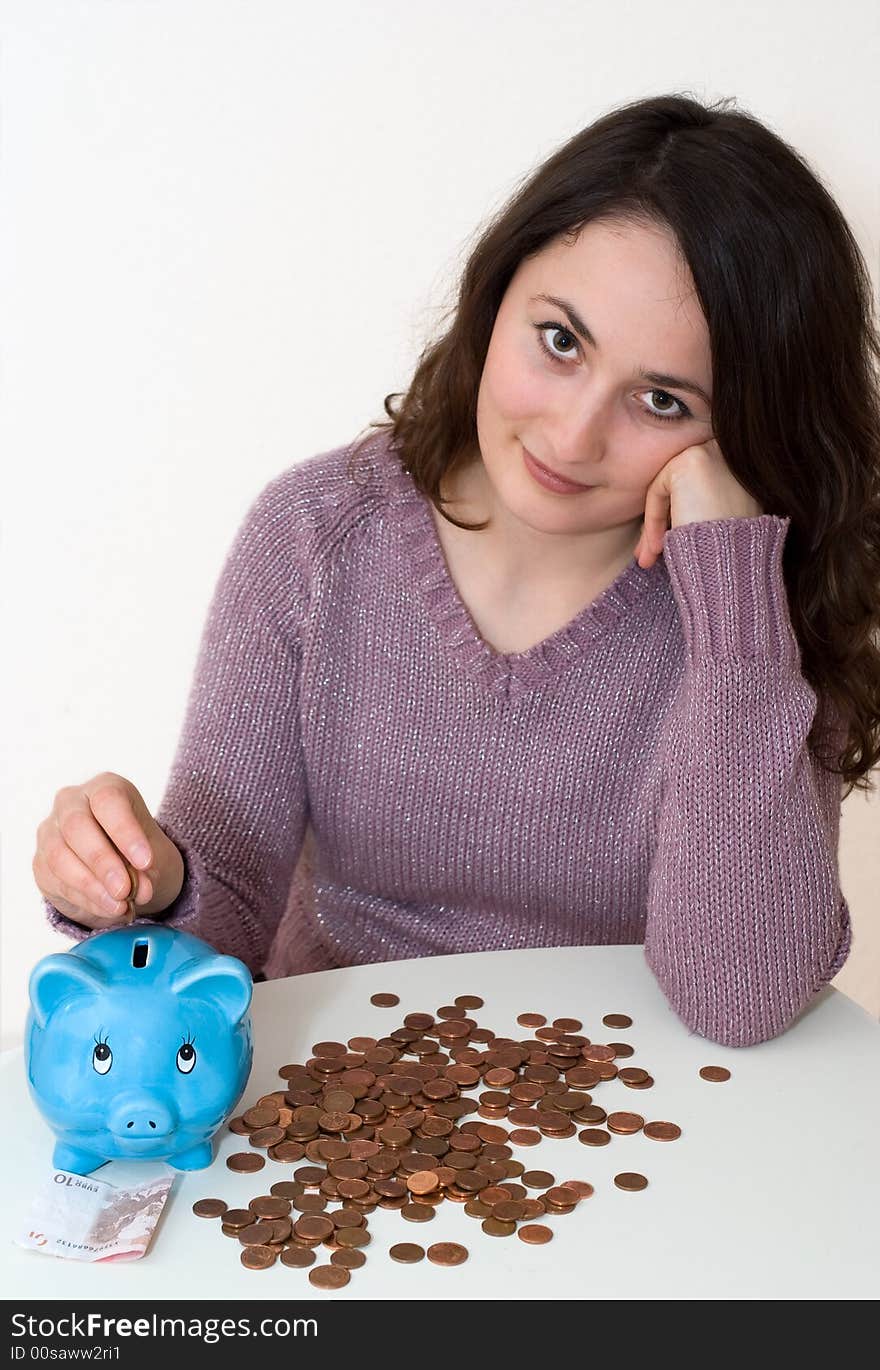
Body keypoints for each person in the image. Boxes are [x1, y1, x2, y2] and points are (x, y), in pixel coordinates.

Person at [33, 91, 880, 1047]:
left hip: (639, 1114)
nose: (572, 434)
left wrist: (733, 601)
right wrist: (141, 880)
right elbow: (218, 927)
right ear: (497, 295)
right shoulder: (315, 538)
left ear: (742, 427)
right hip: (336, 1104)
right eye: (560, 342)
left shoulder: (753, 612)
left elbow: (745, 997)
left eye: (661, 400)